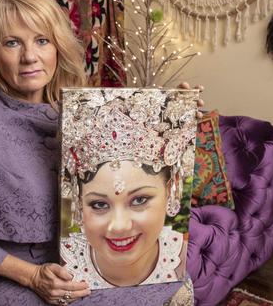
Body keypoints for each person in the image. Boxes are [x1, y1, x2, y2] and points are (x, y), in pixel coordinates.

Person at [0, 0, 195, 306]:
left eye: (42, 40)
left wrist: (173, 112)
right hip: (2, 276)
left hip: (73, 261)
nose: (29, 56)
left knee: (174, 284)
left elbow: (131, 170)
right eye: (12, 43)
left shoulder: (78, 115)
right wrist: (32, 276)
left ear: (57, 47)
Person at [59, 89, 195, 289]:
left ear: (169, 190)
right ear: (79, 202)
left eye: (139, 200)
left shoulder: (179, 260)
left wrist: (182, 102)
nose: (119, 226)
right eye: (99, 204)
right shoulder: (65, 267)